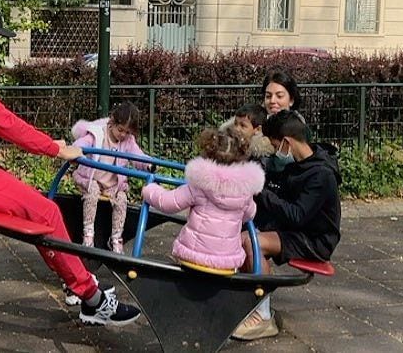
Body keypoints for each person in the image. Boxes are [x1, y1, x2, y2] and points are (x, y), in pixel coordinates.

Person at [0, 1, 140, 326]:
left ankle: (76, 283)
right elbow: (4, 123)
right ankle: (92, 300)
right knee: (46, 212)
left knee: (40, 211)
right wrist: (55, 149)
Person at [232, 110, 341, 341]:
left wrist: (261, 191)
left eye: (275, 146)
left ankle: (262, 317)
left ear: (287, 143)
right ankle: (246, 303)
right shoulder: (299, 165)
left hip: (314, 240)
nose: (275, 153)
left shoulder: (320, 174)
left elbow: (296, 215)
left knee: (253, 243)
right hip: (297, 230)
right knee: (240, 236)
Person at [141, 127, 265, 271]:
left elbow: (168, 203)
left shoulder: (200, 185)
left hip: (194, 256)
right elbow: (250, 214)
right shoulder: (245, 192)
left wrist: (150, 190)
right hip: (227, 262)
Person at [71, 102, 151, 255]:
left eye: (127, 132)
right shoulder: (97, 133)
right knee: (92, 191)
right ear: (112, 122)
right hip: (90, 179)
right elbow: (82, 144)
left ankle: (116, 238)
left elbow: (137, 155)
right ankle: (88, 233)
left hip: (112, 186)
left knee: (121, 199)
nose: (122, 135)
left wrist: (148, 165)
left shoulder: (128, 141)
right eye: (120, 130)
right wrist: (76, 151)